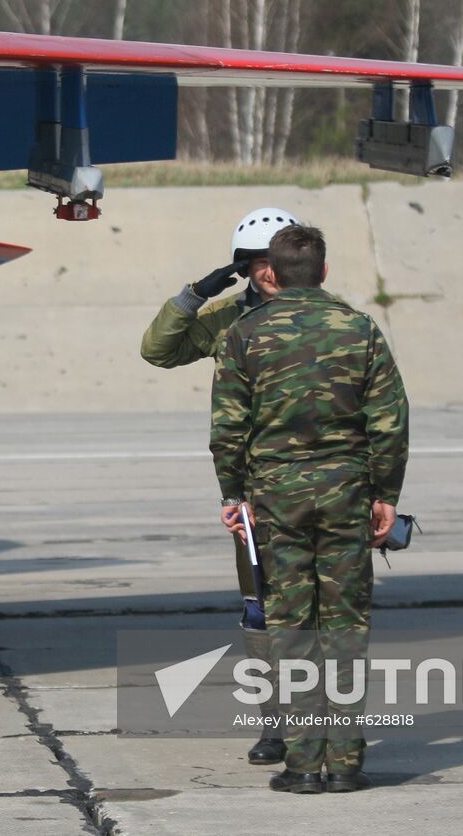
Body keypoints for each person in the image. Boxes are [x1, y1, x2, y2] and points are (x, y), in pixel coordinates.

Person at [210, 223, 409, 795]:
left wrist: (234, 495)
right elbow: (389, 423)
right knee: (345, 625)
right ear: (323, 271)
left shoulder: (245, 333)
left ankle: (301, 765)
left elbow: (228, 427)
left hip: (277, 499)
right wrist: (385, 496)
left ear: (270, 273)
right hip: (347, 492)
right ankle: (345, 765)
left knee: (292, 626)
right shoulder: (360, 330)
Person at [140, 207, 301, 766]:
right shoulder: (228, 320)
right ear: (246, 268)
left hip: (322, 488)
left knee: (323, 612)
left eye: (277, 263)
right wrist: (195, 294)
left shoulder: (332, 320)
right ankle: (274, 728)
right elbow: (158, 350)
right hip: (254, 495)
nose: (271, 276)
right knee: (260, 611)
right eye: (259, 265)